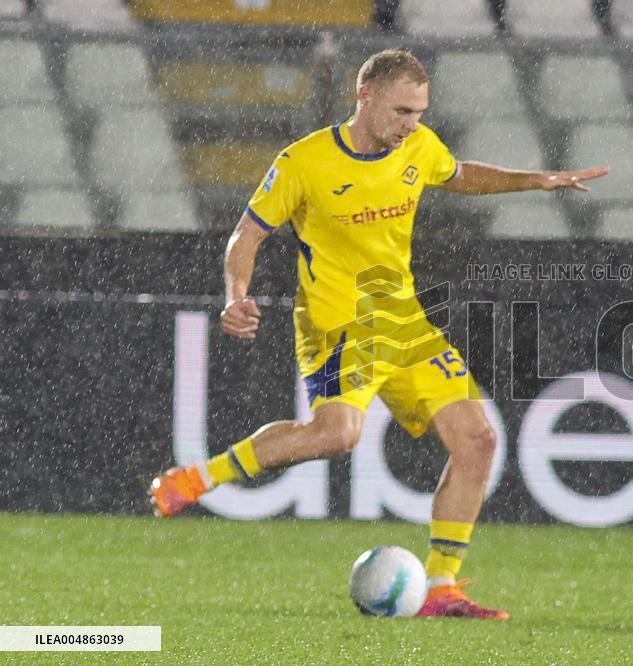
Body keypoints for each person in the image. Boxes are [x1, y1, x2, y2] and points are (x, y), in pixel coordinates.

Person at [149, 49, 608, 620]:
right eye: (402, 111)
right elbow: (246, 236)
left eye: (419, 112)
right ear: (364, 97)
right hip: (337, 322)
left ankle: (441, 589)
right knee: (337, 433)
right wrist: (234, 295)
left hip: (403, 319)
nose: (411, 124)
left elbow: (458, 174)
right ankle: (197, 478)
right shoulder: (304, 162)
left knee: (478, 440)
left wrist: (535, 181)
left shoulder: (416, 145)